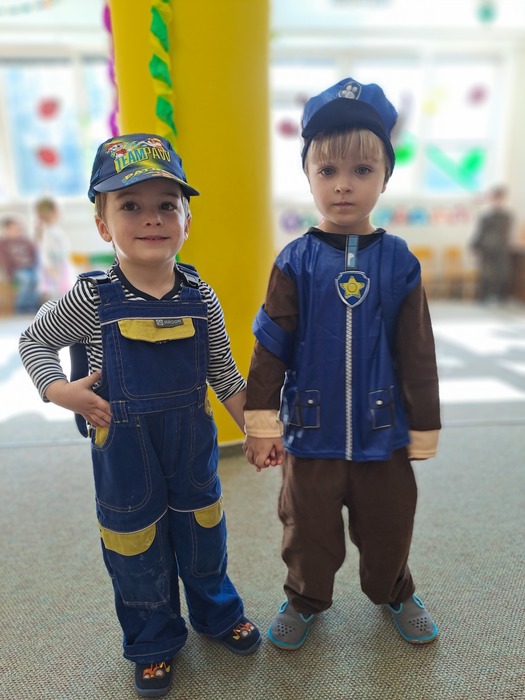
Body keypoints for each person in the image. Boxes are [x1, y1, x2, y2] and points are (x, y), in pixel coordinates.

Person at [19, 133, 261, 698]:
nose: (151, 218)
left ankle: (217, 614)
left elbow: (224, 374)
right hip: (124, 453)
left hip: (191, 446)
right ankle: (153, 641)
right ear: (103, 225)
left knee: (204, 534)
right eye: (130, 205)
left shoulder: (201, 296)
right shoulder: (92, 298)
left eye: (166, 205)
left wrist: (258, 427)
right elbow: (34, 342)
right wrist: (60, 391)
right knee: (134, 547)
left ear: (186, 221)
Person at [243, 78, 441, 650]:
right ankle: (304, 597)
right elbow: (270, 346)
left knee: (389, 524)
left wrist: (423, 423)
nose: (344, 185)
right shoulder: (295, 260)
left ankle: (395, 590)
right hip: (313, 432)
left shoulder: (399, 261)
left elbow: (417, 349)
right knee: (307, 528)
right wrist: (262, 423)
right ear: (308, 176)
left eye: (362, 170)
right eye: (327, 171)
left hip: (384, 431)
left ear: (385, 178)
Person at [470, 185, 514, 303]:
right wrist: (474, 247)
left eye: (499, 198)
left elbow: (504, 234)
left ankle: (501, 297)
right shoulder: (485, 217)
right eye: (495, 198)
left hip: (500, 249)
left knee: (503, 274)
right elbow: (480, 233)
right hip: (486, 249)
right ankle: (483, 297)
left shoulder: (506, 216)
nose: (497, 201)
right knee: (486, 274)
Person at [34, 196, 76, 302]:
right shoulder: (46, 232)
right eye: (58, 210)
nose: (60, 213)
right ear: (51, 213)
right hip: (54, 265)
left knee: (64, 288)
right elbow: (42, 252)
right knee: (56, 291)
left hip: (61, 264)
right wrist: (49, 267)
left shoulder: (54, 230)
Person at [0, 215, 39, 314]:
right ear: (7, 229)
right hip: (16, 270)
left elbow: (34, 253)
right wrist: (9, 276)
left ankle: (31, 307)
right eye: (14, 227)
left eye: (19, 227)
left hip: (30, 267)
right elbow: (5, 261)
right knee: (26, 280)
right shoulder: (3, 243)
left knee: (35, 280)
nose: (17, 230)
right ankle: (21, 308)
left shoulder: (26, 241)